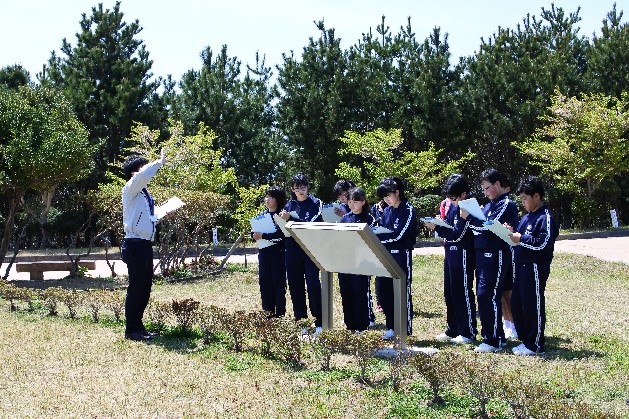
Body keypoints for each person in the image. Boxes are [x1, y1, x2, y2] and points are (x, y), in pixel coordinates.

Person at [461, 168, 518, 353]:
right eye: (483, 189)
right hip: (482, 253)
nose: (485, 193)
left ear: (497, 184)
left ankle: (493, 339)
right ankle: (496, 336)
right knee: (484, 294)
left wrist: (471, 218)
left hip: (496, 253)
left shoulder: (506, 203)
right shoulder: (488, 206)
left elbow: (489, 226)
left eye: (487, 188)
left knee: (488, 294)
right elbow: (480, 227)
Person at [507, 176, 559, 356]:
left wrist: (520, 238)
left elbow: (543, 243)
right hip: (520, 265)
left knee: (532, 305)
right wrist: (511, 233)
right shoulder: (527, 216)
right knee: (517, 303)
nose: (523, 203)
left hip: (535, 267)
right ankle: (526, 341)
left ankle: (535, 344)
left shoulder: (545, 217)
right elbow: (519, 236)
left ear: (536, 196)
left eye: (525, 198)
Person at [121, 149, 167, 341]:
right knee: (136, 288)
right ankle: (131, 330)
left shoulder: (143, 193)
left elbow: (147, 216)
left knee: (145, 287)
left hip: (145, 244)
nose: (147, 171)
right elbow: (144, 175)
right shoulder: (130, 188)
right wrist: (159, 161)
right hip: (134, 244)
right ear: (134, 172)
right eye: (143, 167)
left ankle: (139, 327)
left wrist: (162, 213)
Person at [425, 174, 477, 344]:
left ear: (463, 194)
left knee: (462, 290)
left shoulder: (468, 206)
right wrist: (438, 224)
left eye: (454, 198)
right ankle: (453, 328)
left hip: (463, 252)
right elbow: (449, 226)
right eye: (449, 199)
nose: (452, 202)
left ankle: (467, 331)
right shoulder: (454, 206)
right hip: (450, 251)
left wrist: (438, 228)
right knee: (450, 291)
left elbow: (458, 234)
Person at [374, 177, 418, 340]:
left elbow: (400, 235)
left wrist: (382, 239)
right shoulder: (387, 211)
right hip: (385, 255)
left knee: (401, 291)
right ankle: (391, 326)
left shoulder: (408, 209)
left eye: (388, 196)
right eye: (384, 197)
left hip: (401, 255)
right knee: (384, 292)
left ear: (397, 192)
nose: (386, 200)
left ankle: (405, 329)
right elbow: (380, 229)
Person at [279, 173, 323, 334]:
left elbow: (311, 224)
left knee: (313, 284)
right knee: (295, 284)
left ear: (308, 187)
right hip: (292, 248)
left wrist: (291, 220)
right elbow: (282, 226)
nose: (300, 191)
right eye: (297, 188)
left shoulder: (316, 203)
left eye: (303, 187)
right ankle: (301, 321)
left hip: (310, 248)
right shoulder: (289, 205)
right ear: (292, 189)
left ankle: (320, 321)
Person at [337, 187, 375, 332]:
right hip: (345, 261)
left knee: (360, 292)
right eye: (350, 202)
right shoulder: (345, 218)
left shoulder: (369, 219)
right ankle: (350, 325)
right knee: (346, 292)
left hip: (361, 262)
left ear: (363, 202)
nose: (352, 205)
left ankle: (362, 325)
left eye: (355, 202)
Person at [251, 186, 288, 318]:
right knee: (264, 282)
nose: (267, 199)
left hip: (278, 253)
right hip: (264, 253)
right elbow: (254, 231)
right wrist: (254, 235)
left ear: (277, 199)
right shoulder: (262, 216)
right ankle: (268, 312)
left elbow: (281, 235)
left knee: (278, 283)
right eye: (267, 196)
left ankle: (280, 314)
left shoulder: (281, 215)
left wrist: (263, 236)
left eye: (271, 197)